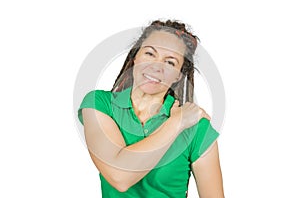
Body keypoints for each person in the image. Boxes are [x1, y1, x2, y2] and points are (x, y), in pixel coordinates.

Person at [78, 20, 224, 197]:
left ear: (178, 75)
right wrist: (176, 123)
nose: (157, 66)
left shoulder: (197, 128)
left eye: (170, 62)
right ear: (135, 57)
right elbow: (119, 176)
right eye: (149, 53)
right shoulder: (100, 104)